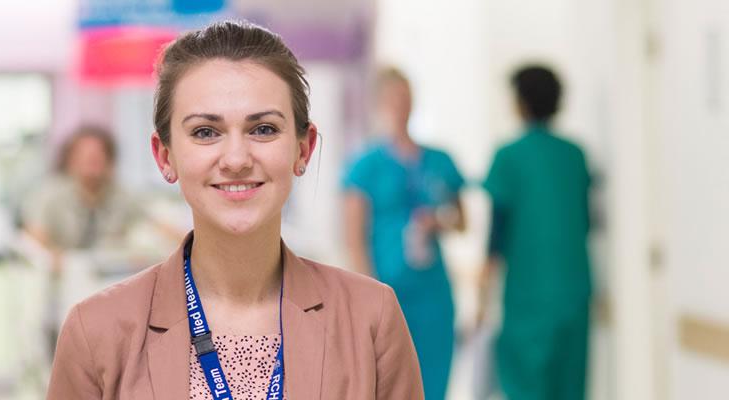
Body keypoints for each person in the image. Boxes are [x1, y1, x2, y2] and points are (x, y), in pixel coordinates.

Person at [47, 21, 423, 400]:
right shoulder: (97, 333)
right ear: (165, 156)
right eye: (205, 132)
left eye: (263, 129)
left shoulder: (371, 319)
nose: (237, 159)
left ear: (303, 149)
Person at [342, 67, 466, 400]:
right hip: (387, 289)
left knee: (434, 380)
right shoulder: (365, 165)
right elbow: (353, 237)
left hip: (433, 292)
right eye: (394, 99)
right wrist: (364, 296)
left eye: (406, 97)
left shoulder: (440, 160)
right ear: (379, 104)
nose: (401, 106)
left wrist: (439, 221)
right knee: (389, 383)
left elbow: (462, 221)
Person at [479, 65, 592, 400]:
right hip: (573, 292)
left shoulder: (509, 157)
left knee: (526, 385)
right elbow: (584, 222)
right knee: (569, 386)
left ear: (521, 102)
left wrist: (483, 289)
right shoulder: (575, 156)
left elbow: (497, 230)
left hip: (528, 296)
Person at [23, 125, 145, 258]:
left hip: (110, 269)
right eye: (84, 155)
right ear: (70, 159)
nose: (91, 160)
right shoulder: (49, 194)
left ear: (109, 160)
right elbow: (34, 235)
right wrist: (50, 254)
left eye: (98, 155)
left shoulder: (121, 194)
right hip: (64, 270)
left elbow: (149, 221)